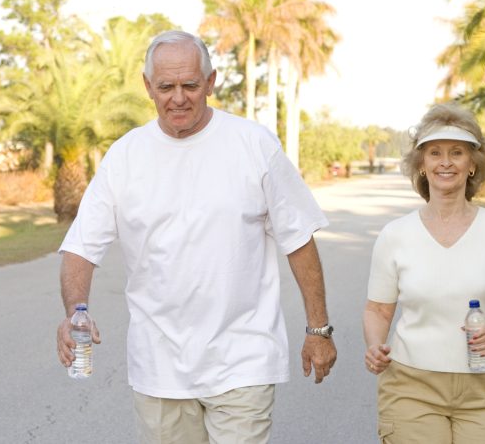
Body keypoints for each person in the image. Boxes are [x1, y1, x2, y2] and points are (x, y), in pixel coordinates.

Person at [56, 30, 336, 444]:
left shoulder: (254, 145)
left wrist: (319, 329)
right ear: (148, 86)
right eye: (166, 86)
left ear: (211, 82)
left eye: (190, 84)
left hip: (243, 358)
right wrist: (75, 310)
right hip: (159, 365)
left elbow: (298, 240)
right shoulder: (125, 157)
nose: (178, 97)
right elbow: (82, 247)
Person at [362, 103, 485, 443]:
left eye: (457, 152)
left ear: (472, 164)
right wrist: (374, 345)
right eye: (435, 153)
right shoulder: (395, 235)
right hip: (411, 387)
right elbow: (377, 309)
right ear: (422, 165)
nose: (446, 162)